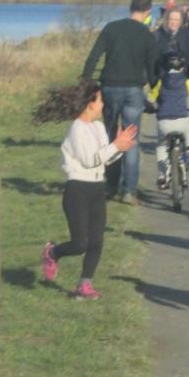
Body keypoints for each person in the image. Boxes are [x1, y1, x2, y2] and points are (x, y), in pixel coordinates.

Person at [41, 80, 138, 300]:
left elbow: (104, 159)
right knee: (79, 244)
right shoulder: (77, 129)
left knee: (97, 241)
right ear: (89, 104)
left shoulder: (99, 127)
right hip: (77, 190)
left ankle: (84, 285)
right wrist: (115, 146)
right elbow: (88, 160)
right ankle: (52, 252)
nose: (103, 104)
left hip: (96, 189)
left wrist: (120, 148)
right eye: (100, 100)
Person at [82, 0, 159, 205]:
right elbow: (153, 70)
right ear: (147, 12)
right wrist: (157, 94)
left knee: (110, 137)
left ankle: (110, 186)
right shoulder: (147, 35)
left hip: (109, 87)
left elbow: (94, 56)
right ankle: (129, 191)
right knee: (131, 139)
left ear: (130, 8)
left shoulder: (111, 28)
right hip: (133, 90)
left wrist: (85, 81)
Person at [149, 51, 189, 189]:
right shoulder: (186, 81)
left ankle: (162, 175)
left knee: (161, 145)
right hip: (182, 120)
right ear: (182, 67)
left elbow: (150, 99)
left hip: (164, 122)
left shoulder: (160, 82)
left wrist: (149, 108)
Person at [155, 8, 189, 84]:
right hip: (163, 79)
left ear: (180, 21)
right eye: (171, 19)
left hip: (185, 77)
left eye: (177, 20)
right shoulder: (157, 34)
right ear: (166, 20)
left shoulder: (188, 34)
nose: (174, 22)